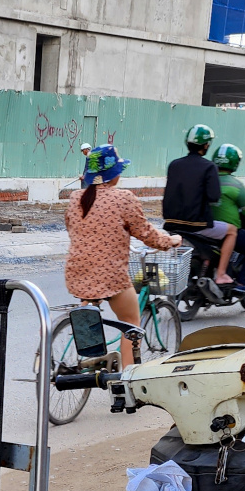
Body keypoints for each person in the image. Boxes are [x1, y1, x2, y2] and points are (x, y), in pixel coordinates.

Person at [64, 145, 180, 368]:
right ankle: (126, 382)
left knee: (88, 318)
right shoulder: (124, 199)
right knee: (131, 323)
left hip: (78, 273)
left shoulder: (76, 197)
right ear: (113, 174)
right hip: (110, 276)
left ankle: (89, 361)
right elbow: (146, 233)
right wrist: (170, 241)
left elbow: (73, 229)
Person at [204, 143, 245, 287]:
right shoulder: (236, 185)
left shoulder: (206, 180)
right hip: (226, 231)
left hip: (204, 228)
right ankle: (243, 283)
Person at [161, 124, 221, 236]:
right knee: (232, 231)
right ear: (206, 146)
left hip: (171, 224)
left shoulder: (174, 165)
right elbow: (214, 196)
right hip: (197, 225)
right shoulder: (209, 167)